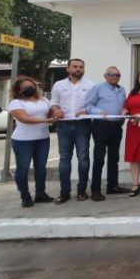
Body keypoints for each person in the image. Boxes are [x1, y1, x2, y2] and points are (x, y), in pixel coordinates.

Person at [50, 58, 95, 204]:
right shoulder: (59, 85)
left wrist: (87, 111)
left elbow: (94, 104)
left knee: (83, 158)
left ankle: (82, 191)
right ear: (68, 68)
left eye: (81, 67)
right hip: (64, 125)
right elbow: (54, 103)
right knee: (64, 158)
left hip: (83, 125)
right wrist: (56, 110)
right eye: (75, 66)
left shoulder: (91, 85)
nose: (78, 69)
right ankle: (64, 192)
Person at [7, 77, 56, 208]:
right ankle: (25, 197)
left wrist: (56, 113)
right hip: (23, 141)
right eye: (25, 87)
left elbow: (51, 112)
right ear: (18, 90)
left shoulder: (44, 100)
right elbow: (24, 119)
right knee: (23, 169)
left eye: (32, 86)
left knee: (41, 168)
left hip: (42, 139)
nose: (30, 89)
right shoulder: (16, 103)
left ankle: (40, 194)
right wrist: (47, 120)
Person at [84, 66, 130, 201]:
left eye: (117, 75)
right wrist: (99, 112)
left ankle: (113, 186)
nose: (115, 77)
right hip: (101, 126)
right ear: (105, 76)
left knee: (114, 157)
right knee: (99, 158)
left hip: (116, 126)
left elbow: (123, 106)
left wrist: (124, 114)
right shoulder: (98, 88)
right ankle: (95, 189)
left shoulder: (122, 90)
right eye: (111, 74)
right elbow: (88, 106)